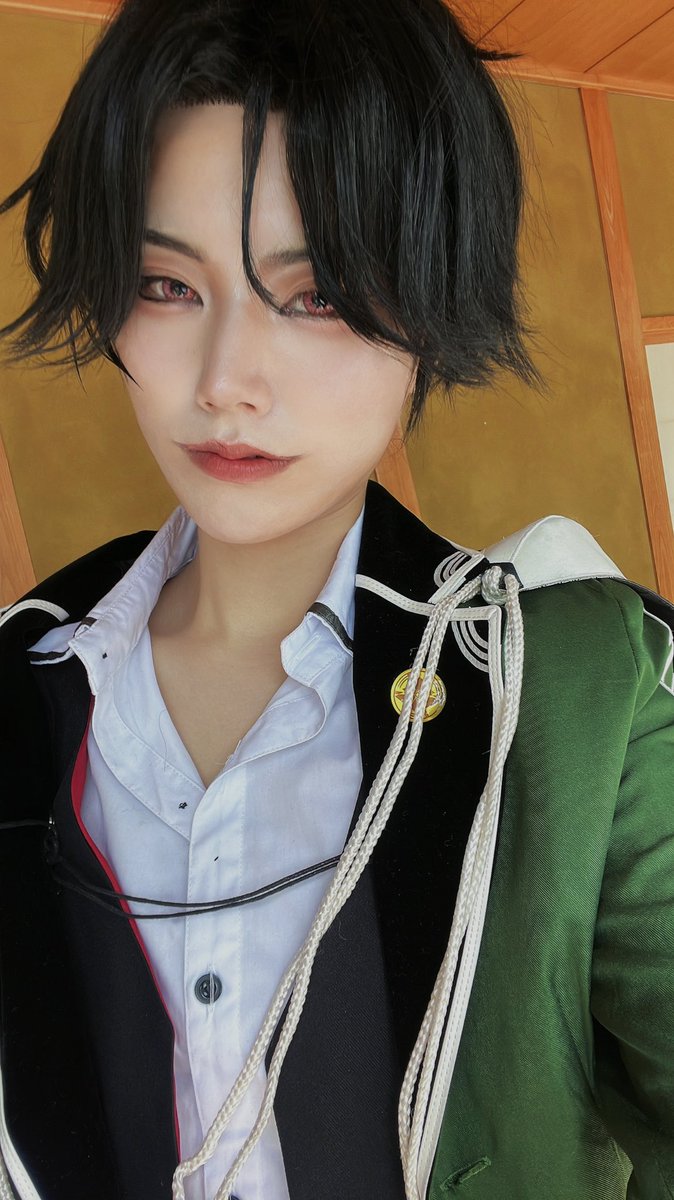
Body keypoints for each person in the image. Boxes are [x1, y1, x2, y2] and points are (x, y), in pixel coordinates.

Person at [0, 1, 673, 1198]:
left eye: (315, 295)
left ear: (431, 300)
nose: (226, 383)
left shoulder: (581, 688)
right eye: (165, 284)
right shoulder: (25, 679)